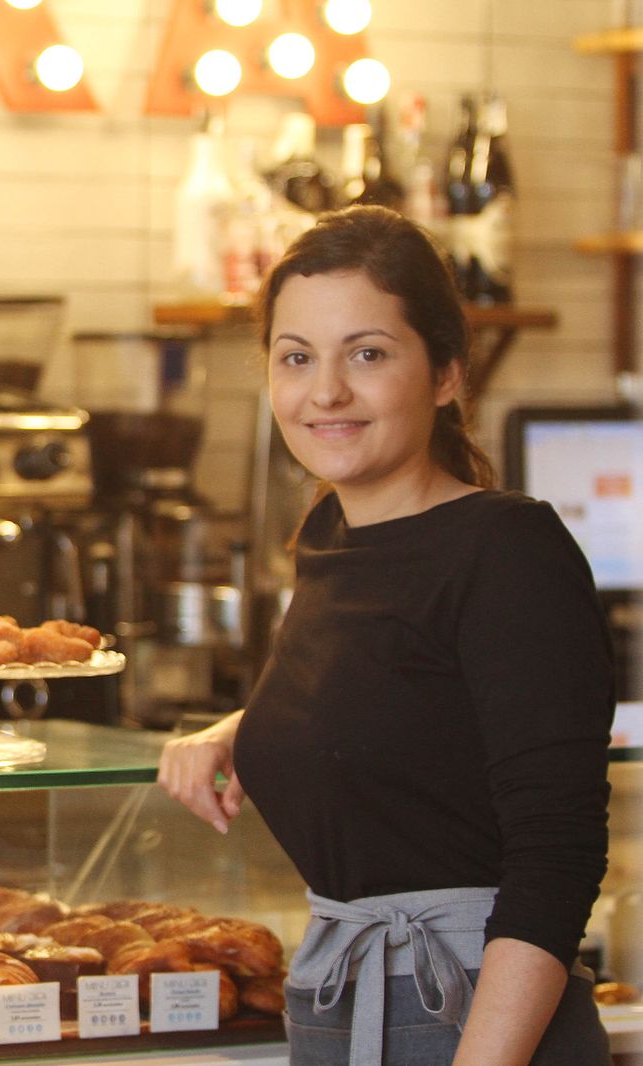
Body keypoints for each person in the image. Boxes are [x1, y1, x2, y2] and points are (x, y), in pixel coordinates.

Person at [158, 206, 614, 1065]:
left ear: (446, 373)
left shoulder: (508, 548)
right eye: (297, 358)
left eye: (367, 354)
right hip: (342, 1008)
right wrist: (236, 731)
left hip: (481, 1020)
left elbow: (556, 856)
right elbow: (386, 699)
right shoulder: (332, 534)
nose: (325, 391)